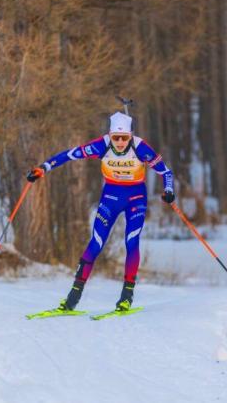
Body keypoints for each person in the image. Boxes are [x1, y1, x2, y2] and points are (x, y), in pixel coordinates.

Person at [27, 111, 175, 312]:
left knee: (132, 241)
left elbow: (165, 172)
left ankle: (126, 297)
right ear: (110, 135)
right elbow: (70, 154)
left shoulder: (140, 147)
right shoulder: (101, 145)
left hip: (135, 198)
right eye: (116, 138)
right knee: (95, 243)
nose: (120, 142)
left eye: (124, 138)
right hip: (111, 197)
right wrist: (43, 168)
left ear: (131, 135)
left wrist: (168, 191)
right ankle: (73, 298)